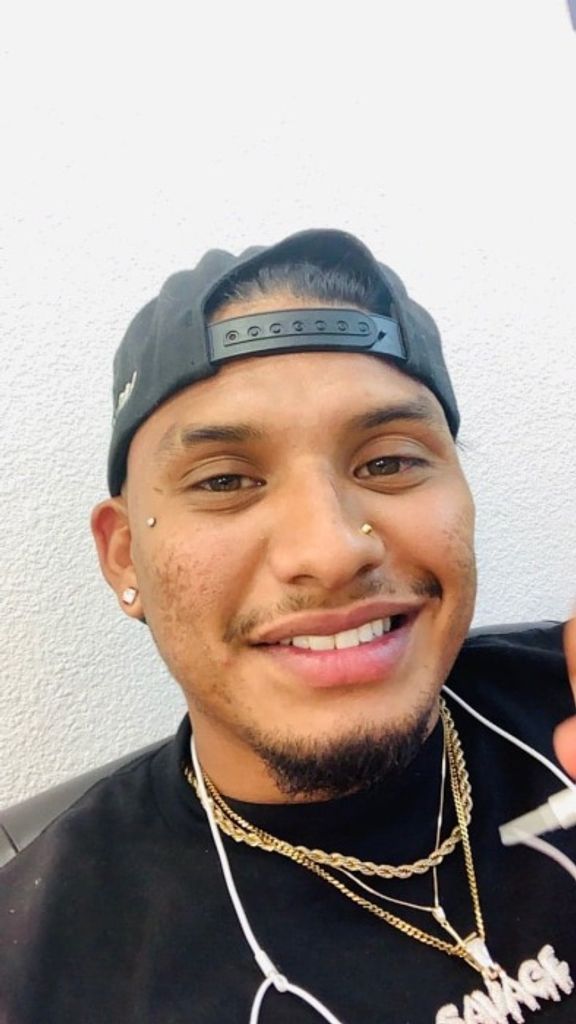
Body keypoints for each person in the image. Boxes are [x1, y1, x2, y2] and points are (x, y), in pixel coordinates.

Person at [1, 228, 575, 1024]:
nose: (332, 552)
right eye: (225, 480)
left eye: (389, 462)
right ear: (125, 555)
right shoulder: (38, 967)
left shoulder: (561, 703)